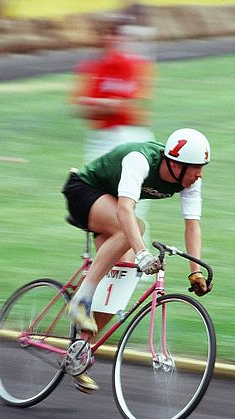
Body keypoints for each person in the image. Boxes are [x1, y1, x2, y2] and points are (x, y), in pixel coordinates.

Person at [61, 128, 213, 392]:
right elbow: (124, 210)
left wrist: (195, 272)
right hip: (84, 191)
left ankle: (79, 352)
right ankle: (80, 300)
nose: (200, 174)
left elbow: (192, 226)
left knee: (123, 276)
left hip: (108, 202)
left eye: (202, 168)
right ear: (176, 164)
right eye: (195, 168)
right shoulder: (139, 159)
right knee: (134, 231)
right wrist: (143, 252)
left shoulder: (189, 180)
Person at [73, 17, 156, 258]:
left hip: (126, 135)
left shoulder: (132, 65)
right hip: (100, 137)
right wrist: (105, 105)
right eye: (107, 34)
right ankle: (112, 264)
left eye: (115, 34)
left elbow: (124, 103)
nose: (111, 39)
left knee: (130, 204)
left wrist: (101, 104)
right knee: (101, 203)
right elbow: (84, 107)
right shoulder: (93, 68)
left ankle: (137, 262)